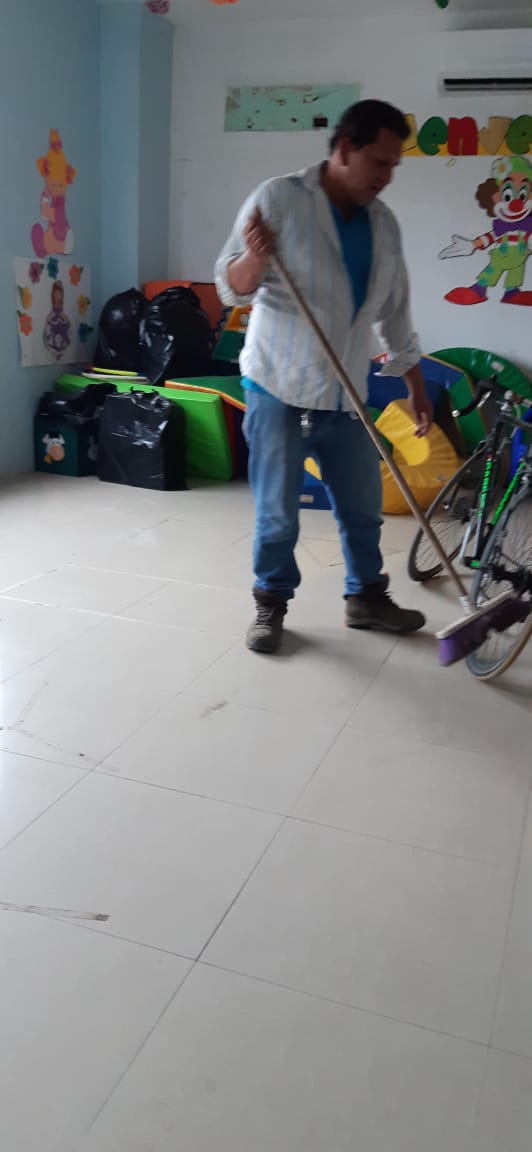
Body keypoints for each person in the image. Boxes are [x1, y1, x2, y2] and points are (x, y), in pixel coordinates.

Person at [215, 99, 433, 654]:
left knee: (362, 509)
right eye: (378, 163)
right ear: (344, 149)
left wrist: (415, 387)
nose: (385, 177)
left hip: (346, 395)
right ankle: (270, 605)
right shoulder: (279, 199)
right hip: (278, 386)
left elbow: (395, 312)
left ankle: (366, 598)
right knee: (278, 515)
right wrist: (255, 259)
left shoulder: (383, 224)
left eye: (393, 166)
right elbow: (231, 287)